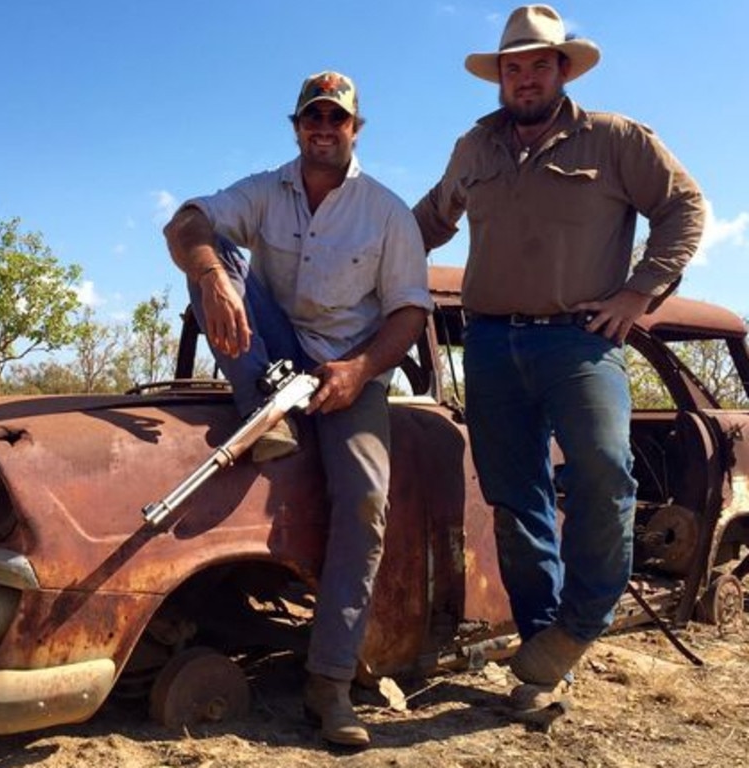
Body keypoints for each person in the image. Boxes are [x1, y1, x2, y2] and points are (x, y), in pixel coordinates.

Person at [413, 4, 705, 712]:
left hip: (581, 341)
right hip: (487, 343)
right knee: (516, 501)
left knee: (606, 476)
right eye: (513, 68)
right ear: (500, 78)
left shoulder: (614, 139)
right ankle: (543, 655)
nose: (524, 78)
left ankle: (578, 626)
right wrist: (342, 257)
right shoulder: (473, 149)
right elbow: (424, 224)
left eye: (539, 64)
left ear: (562, 69)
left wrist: (639, 293)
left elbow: (686, 207)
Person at [164, 70, 432, 747]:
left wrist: (360, 369)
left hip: (354, 371)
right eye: (312, 116)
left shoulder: (388, 212)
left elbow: (406, 313)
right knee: (210, 246)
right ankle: (265, 409)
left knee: (366, 502)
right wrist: (211, 277)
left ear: (354, 130)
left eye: (336, 118)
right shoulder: (265, 188)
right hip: (274, 352)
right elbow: (186, 221)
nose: (323, 127)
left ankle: (331, 683)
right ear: (296, 126)